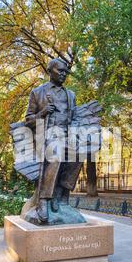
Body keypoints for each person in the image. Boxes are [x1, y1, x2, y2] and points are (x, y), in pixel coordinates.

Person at [24, 58, 83, 223]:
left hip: (67, 135)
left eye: (65, 71)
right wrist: (42, 113)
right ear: (50, 71)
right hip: (47, 136)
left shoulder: (70, 95)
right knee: (55, 152)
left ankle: (61, 197)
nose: (64, 74)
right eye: (60, 71)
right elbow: (28, 120)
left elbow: (75, 118)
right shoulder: (38, 93)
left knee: (80, 152)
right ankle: (44, 200)